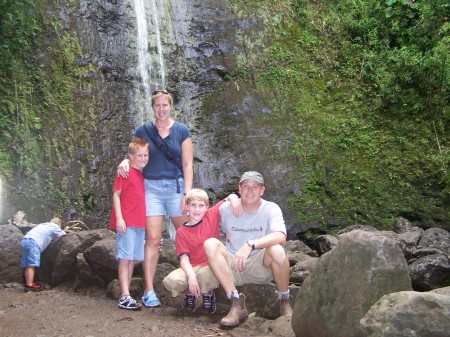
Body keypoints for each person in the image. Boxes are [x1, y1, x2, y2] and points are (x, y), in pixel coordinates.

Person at [117, 89, 193, 307]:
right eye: (157, 105)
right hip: (150, 188)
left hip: (176, 188)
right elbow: (134, 154)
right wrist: (124, 161)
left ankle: (197, 281)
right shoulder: (143, 130)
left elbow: (187, 164)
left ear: (170, 106)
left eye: (165, 105)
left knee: (186, 233)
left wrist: (187, 193)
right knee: (152, 239)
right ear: (153, 107)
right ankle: (149, 290)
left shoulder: (181, 131)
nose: (161, 109)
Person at [204, 171, 293, 328]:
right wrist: (230, 198)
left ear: (262, 190)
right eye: (246, 186)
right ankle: (236, 303)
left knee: (278, 250)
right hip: (231, 266)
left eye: (254, 187)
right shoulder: (225, 209)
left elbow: (281, 235)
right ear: (239, 189)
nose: (250, 191)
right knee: (210, 244)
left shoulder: (270, 208)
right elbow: (201, 215)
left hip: (258, 265)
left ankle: (284, 301)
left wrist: (250, 244)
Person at [162, 189, 239, 314]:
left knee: (206, 275)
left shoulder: (211, 215)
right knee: (172, 280)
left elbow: (231, 195)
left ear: (206, 207)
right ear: (187, 207)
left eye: (201, 205)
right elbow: (184, 259)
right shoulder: (181, 231)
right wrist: (191, 276)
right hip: (192, 266)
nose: (197, 209)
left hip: (209, 266)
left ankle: (208, 294)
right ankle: (190, 293)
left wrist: (234, 200)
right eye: (193, 205)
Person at [109, 138, 149, 310]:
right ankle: (124, 295)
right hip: (126, 222)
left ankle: (128, 295)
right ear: (131, 156)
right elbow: (116, 195)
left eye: (146, 155)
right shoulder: (124, 172)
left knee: (132, 259)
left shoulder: (141, 175)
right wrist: (119, 218)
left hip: (139, 223)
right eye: (139, 155)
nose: (143, 158)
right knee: (125, 258)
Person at [20, 218, 66, 292]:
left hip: (25, 241)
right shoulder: (55, 226)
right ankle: (29, 285)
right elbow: (63, 235)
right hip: (34, 243)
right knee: (31, 265)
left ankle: (28, 282)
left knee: (27, 265)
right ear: (59, 225)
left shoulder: (43, 225)